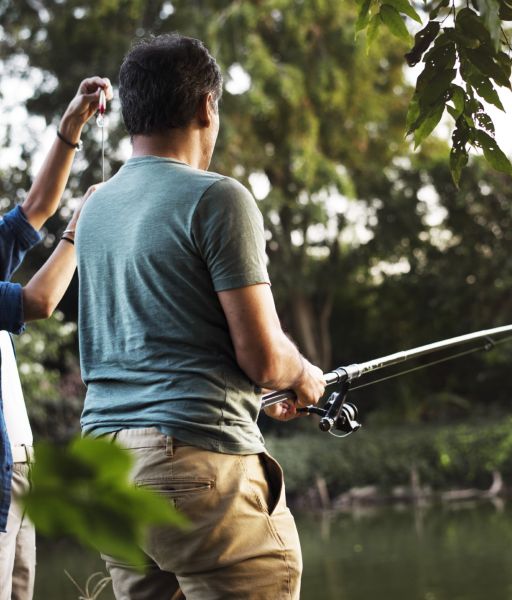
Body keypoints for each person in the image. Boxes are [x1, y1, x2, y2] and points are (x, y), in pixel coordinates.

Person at [76, 34, 325, 600]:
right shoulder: (218, 198)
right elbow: (262, 357)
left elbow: (156, 347)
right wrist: (305, 374)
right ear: (206, 106)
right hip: (192, 467)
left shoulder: (95, 207)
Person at [0, 76, 111, 600]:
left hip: (19, 465)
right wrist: (79, 231)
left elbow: (33, 213)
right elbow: (38, 302)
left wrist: (72, 126)